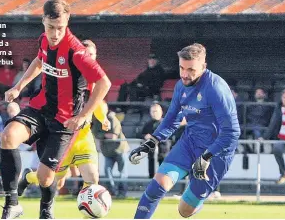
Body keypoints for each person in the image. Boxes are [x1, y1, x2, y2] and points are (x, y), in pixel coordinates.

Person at [0, 0, 111, 218]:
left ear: (67, 21)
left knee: (46, 179)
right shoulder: (43, 40)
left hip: (65, 120)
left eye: (60, 28)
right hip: (41, 108)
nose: (55, 33)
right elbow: (39, 62)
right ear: (43, 21)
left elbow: (104, 83)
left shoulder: (77, 52)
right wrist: (19, 86)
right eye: (51, 27)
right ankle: (12, 204)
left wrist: (84, 114)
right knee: (8, 136)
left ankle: (45, 211)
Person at [129, 43, 240, 218]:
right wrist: (152, 142)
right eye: (182, 68)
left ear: (204, 67)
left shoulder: (216, 89)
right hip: (189, 143)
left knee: (184, 211)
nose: (185, 75)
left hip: (216, 154)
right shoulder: (181, 86)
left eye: (191, 70)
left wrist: (206, 157)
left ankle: (197, 199)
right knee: (155, 188)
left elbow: (232, 133)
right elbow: (172, 118)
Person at [93, 102, 129, 198]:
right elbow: (95, 133)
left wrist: (102, 135)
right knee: (107, 171)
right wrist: (105, 135)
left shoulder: (112, 118)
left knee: (122, 171)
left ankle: (122, 193)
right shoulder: (96, 120)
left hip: (120, 149)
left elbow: (113, 136)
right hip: (107, 151)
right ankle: (112, 191)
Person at [141, 103, 171, 178]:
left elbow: (168, 135)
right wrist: (145, 136)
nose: (154, 113)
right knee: (151, 173)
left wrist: (154, 137)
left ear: (161, 112)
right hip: (152, 151)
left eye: (156, 111)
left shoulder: (166, 123)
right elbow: (140, 134)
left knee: (163, 173)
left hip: (163, 152)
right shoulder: (148, 124)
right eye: (153, 111)